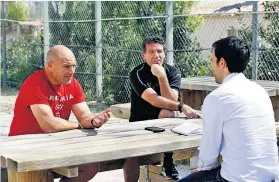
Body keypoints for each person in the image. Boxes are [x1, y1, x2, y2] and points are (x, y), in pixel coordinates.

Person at [177, 36, 279, 182]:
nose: (212, 67)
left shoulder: (217, 97)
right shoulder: (260, 91)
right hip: (269, 177)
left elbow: (208, 155)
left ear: (222, 62)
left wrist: (201, 169)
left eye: (213, 61)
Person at [9, 45, 111, 182]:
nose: (72, 71)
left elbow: (84, 116)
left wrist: (94, 120)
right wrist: (77, 125)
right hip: (24, 147)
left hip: (53, 144)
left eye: (74, 66)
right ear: (51, 65)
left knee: (90, 166)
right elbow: (49, 124)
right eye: (67, 66)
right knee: (43, 174)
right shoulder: (35, 83)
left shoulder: (73, 84)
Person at [123, 36, 200, 182]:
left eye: (159, 51)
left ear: (164, 54)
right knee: (131, 155)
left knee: (167, 112)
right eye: (151, 52)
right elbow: (153, 99)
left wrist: (162, 77)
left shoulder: (173, 72)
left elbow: (170, 100)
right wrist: (182, 106)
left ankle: (168, 161)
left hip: (163, 125)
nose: (156, 55)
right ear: (143, 55)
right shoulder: (137, 73)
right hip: (139, 124)